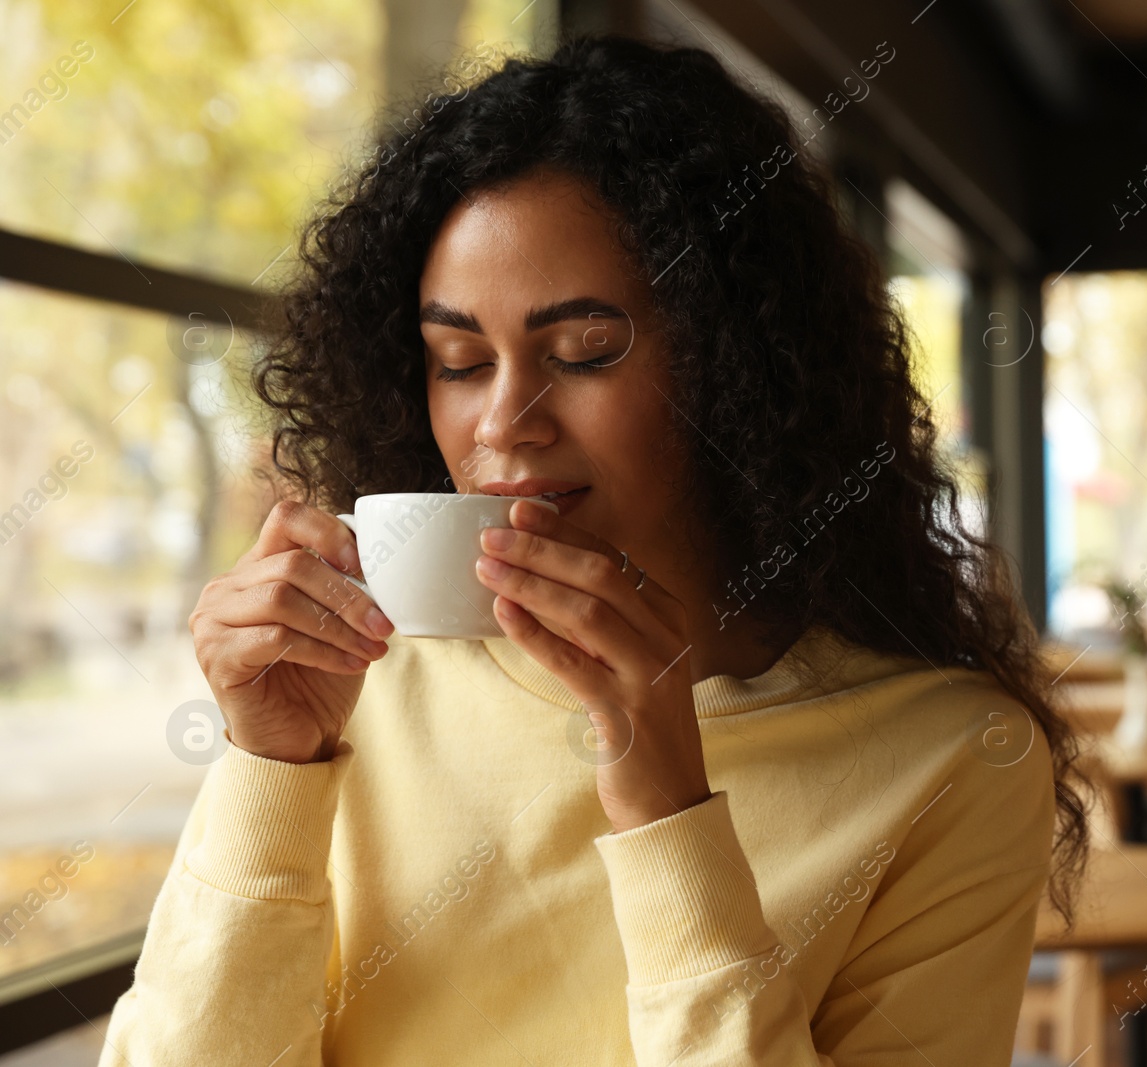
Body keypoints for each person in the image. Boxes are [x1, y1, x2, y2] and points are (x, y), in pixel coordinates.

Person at [99, 34, 1087, 1067]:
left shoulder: (957, 760)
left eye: (584, 351)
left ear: (733, 360)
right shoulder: (359, 681)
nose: (504, 421)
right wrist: (269, 768)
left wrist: (670, 813)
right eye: (459, 360)